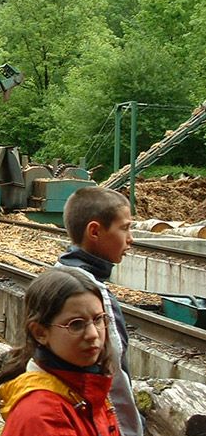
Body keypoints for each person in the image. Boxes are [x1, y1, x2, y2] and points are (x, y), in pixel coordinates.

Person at [56, 186, 143, 436]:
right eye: (125, 228)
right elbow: (114, 373)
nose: (131, 238)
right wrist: (131, 430)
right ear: (94, 231)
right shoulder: (95, 294)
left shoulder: (57, 273)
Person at [0, 269, 120, 436]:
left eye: (98, 319)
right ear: (40, 332)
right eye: (76, 324)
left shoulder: (86, 389)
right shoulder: (42, 415)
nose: (93, 334)